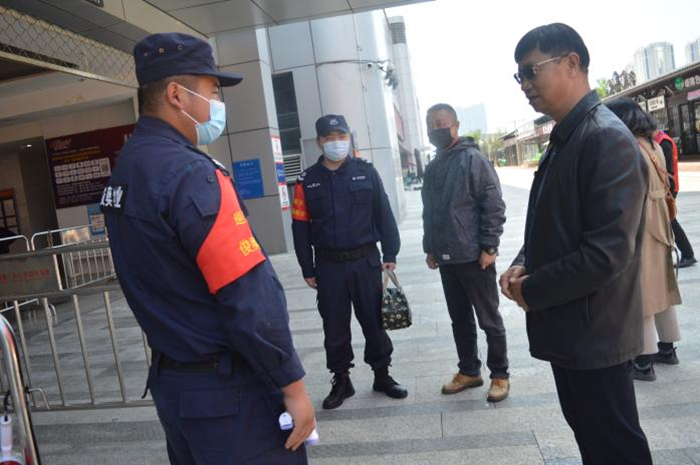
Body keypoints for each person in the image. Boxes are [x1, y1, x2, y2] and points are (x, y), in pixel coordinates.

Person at [102, 32, 314, 464]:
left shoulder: (127, 169)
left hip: (176, 387)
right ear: (176, 95)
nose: (218, 102)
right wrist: (292, 386)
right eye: (212, 91)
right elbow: (247, 292)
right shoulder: (190, 173)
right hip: (227, 395)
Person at [500, 23, 652, 464]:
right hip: (574, 328)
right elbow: (552, 220)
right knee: (595, 441)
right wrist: (523, 261)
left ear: (571, 63)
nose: (525, 84)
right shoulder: (568, 137)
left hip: (596, 333)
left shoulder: (603, 138)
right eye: (519, 76)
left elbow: (606, 254)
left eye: (531, 71)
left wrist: (531, 289)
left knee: (615, 447)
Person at [292, 114, 407, 410]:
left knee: (374, 320)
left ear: (349, 138)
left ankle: (382, 374)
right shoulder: (306, 181)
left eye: (341, 136)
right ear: (319, 142)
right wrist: (307, 267)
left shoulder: (366, 172)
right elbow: (300, 227)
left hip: (365, 261)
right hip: (328, 266)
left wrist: (390, 254)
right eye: (329, 138)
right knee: (334, 325)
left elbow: (384, 213)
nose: (336, 143)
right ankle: (341, 380)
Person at [421, 103, 510, 402]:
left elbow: (493, 205)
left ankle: (500, 375)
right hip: (447, 257)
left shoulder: (473, 159)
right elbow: (430, 211)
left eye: (441, 123)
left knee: (489, 319)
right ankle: (469, 370)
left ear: (456, 125)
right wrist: (430, 247)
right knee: (459, 319)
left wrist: (489, 246)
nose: (436, 129)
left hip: (475, 257)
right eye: (431, 125)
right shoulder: (433, 166)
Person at [606, 99, 682, 381]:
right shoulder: (652, 144)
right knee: (661, 285)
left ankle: (642, 360)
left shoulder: (629, 147)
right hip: (659, 219)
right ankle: (667, 348)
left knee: (642, 290)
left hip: (641, 221)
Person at [654, 130, 696, 268]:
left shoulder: (663, 142)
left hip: (668, 189)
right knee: (669, 221)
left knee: (671, 221)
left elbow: (668, 171)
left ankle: (688, 254)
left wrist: (667, 192)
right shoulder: (659, 140)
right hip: (665, 188)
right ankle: (686, 254)